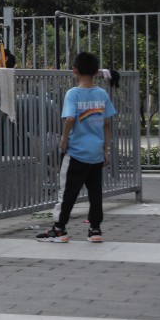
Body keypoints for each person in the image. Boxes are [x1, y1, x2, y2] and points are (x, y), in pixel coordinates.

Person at [37, 52, 117, 243]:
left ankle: (59, 229)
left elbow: (70, 119)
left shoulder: (73, 94)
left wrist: (64, 140)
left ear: (75, 70)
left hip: (76, 153)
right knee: (95, 193)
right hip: (96, 153)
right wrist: (105, 150)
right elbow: (107, 124)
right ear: (96, 72)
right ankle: (95, 229)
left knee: (67, 192)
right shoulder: (102, 94)